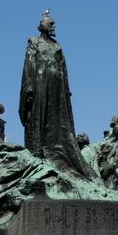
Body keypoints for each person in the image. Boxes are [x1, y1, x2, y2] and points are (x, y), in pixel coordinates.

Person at [19, 10, 95, 178]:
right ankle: (39, 152)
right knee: (40, 118)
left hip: (56, 88)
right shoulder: (34, 42)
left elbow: (64, 70)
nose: (54, 26)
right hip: (40, 84)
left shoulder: (57, 46)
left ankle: (56, 152)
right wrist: (29, 85)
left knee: (58, 122)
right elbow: (29, 65)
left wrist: (66, 91)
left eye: (53, 24)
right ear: (43, 26)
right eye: (51, 23)